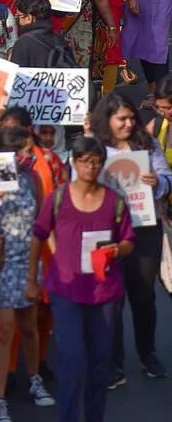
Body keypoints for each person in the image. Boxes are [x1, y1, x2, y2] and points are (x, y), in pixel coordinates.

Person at [26, 135, 135, 422]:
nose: (91, 167)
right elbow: (38, 235)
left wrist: (118, 249)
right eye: (85, 161)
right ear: (74, 163)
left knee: (99, 364)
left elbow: (129, 240)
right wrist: (31, 280)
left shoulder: (114, 201)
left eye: (96, 162)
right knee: (72, 360)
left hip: (104, 293)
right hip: (67, 291)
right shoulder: (58, 197)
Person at [0, 125, 55, 420]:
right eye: (25, 150)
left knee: (30, 325)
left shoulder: (32, 177)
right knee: (5, 330)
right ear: (10, 152)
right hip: (0, 262)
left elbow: (42, 221)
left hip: (28, 261)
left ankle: (34, 380)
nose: (30, 155)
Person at [90, 93, 172, 385]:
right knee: (111, 299)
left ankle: (148, 353)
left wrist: (158, 182)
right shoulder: (95, 147)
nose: (127, 124)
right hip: (107, 233)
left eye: (131, 118)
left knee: (144, 295)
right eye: (121, 119)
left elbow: (168, 178)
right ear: (107, 120)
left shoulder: (146, 145)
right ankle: (113, 363)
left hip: (144, 229)